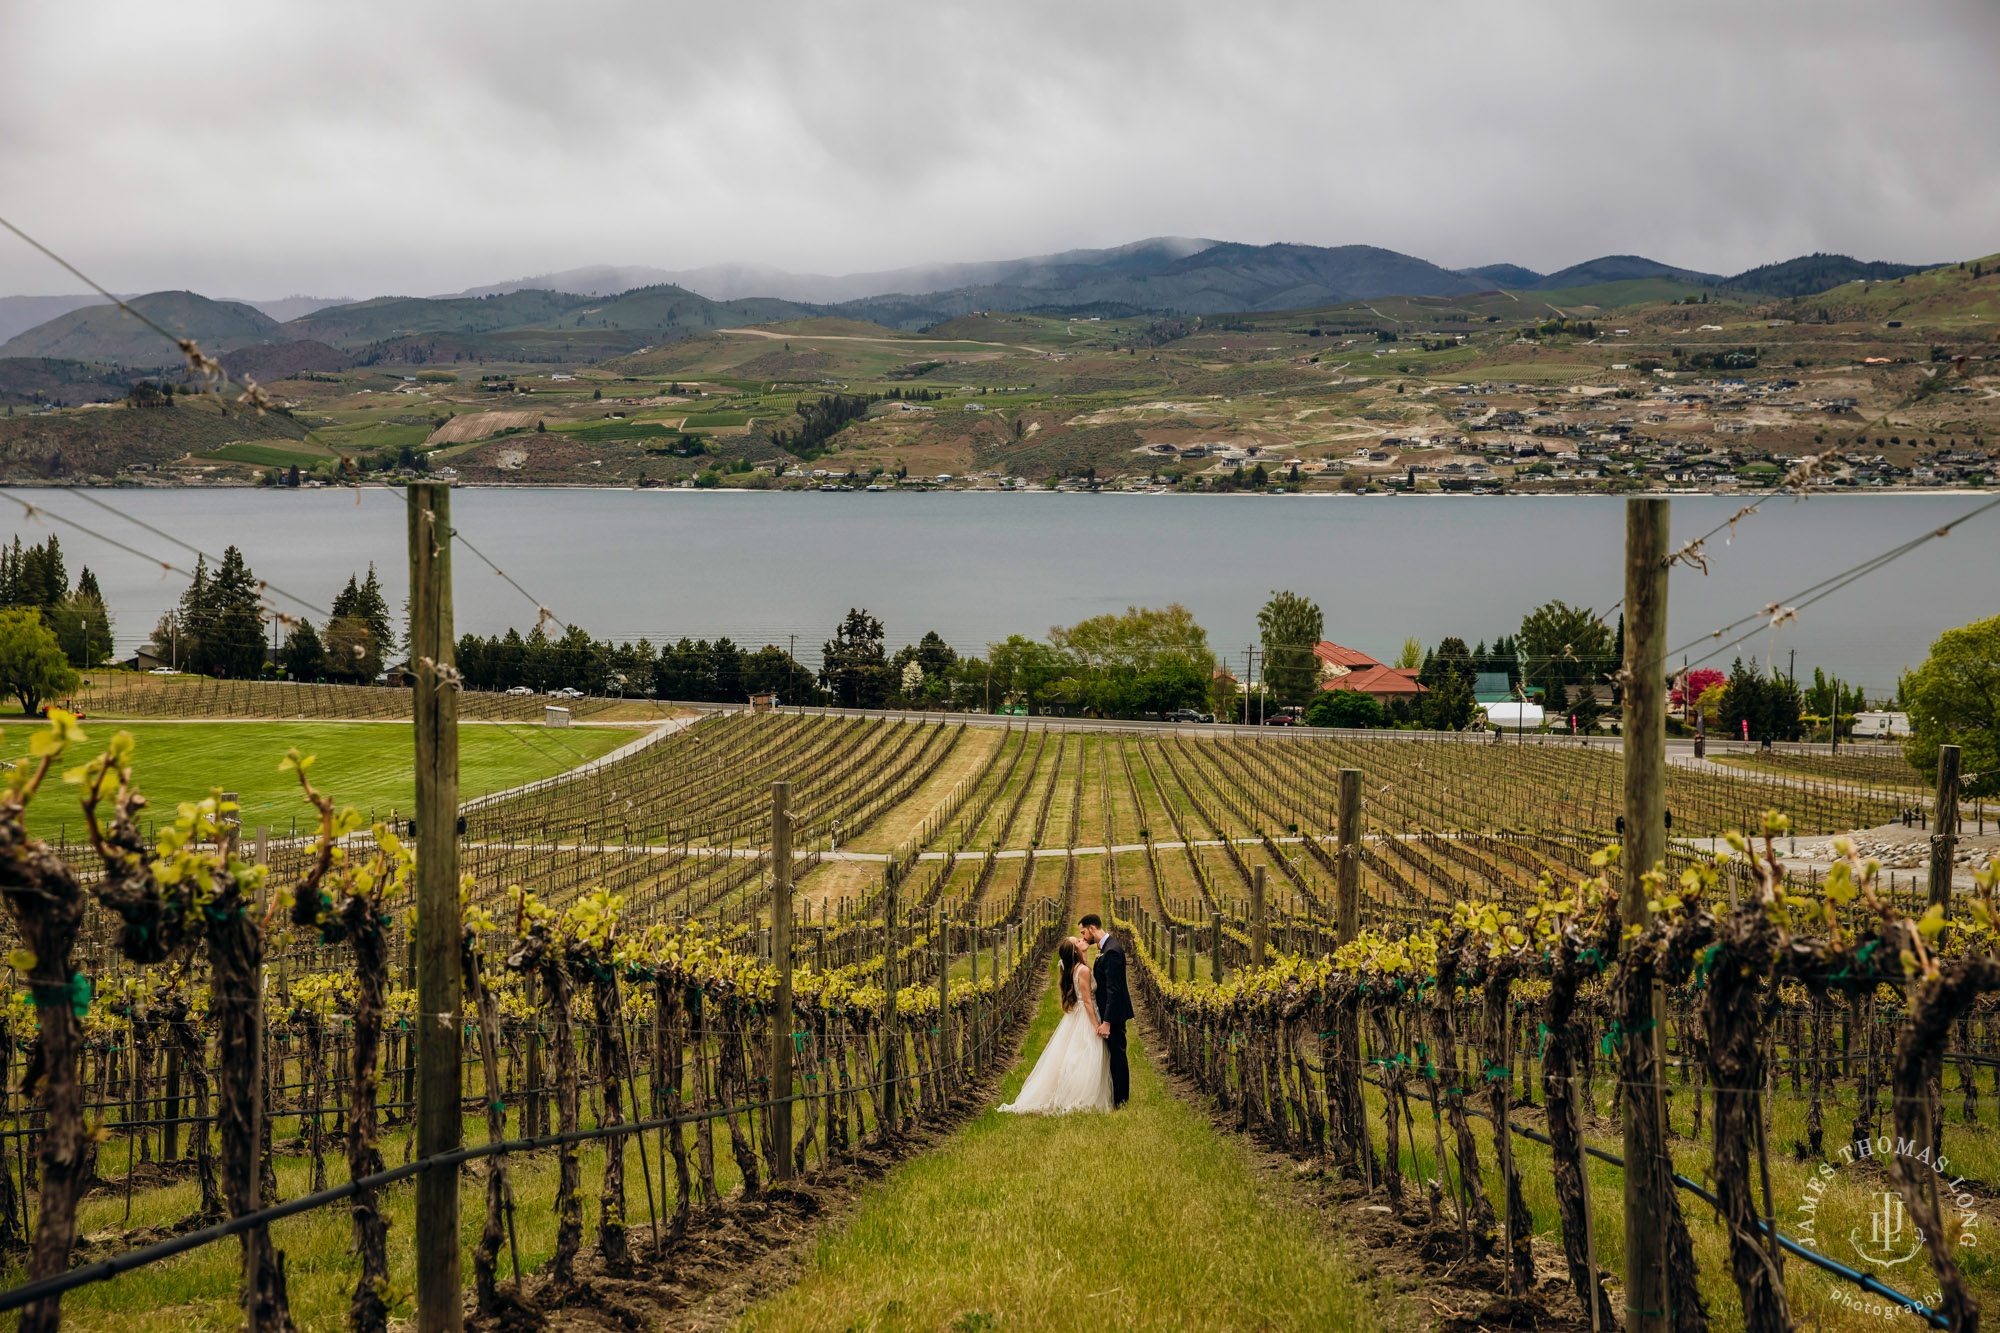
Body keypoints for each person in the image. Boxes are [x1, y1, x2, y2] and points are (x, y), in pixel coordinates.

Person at [996, 937, 1113, 1115]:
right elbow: (1088, 1001)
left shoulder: (1075, 968)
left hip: (1078, 1014)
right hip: (1087, 1016)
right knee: (1087, 1055)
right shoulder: (1083, 971)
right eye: (1078, 940)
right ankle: (1083, 1096)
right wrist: (1097, 1025)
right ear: (1075, 951)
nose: (1082, 939)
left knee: (1075, 1053)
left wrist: (1085, 950)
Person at [1078, 914, 1132, 1107]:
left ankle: (1121, 1101)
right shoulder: (1105, 949)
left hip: (1115, 1014)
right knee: (1114, 1056)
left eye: (1083, 932)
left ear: (1092, 928)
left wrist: (1107, 1021)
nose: (1083, 937)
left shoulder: (1112, 951)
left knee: (1118, 1056)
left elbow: (1113, 989)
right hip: (1110, 1011)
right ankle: (1117, 1098)